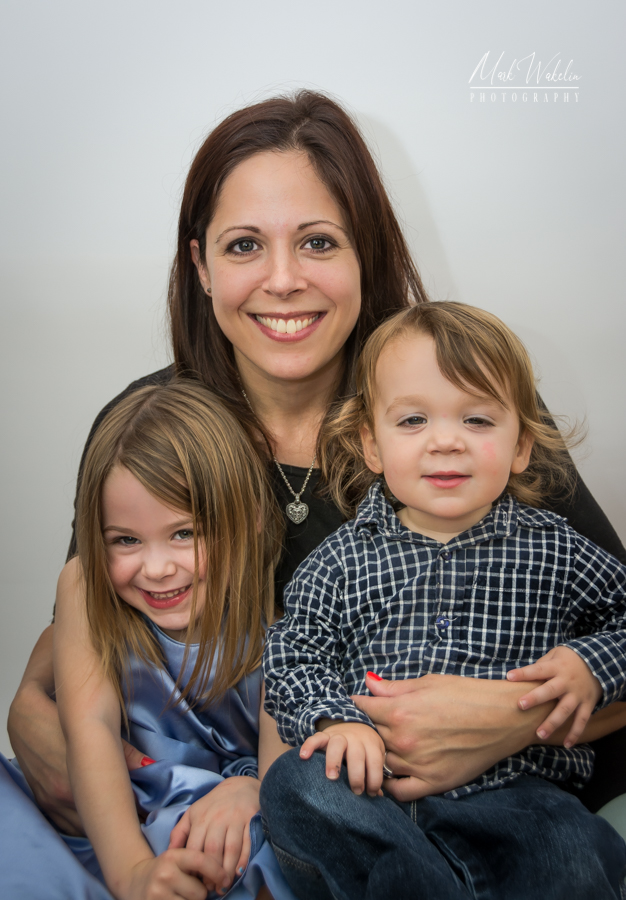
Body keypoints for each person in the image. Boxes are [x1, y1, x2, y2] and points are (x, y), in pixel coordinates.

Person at [5, 93, 626, 893]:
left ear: (366, 251)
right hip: (261, 814)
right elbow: (89, 620)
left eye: (318, 242)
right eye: (243, 247)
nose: (284, 280)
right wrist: (28, 704)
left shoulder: (459, 411)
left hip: (512, 799)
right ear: (200, 266)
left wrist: (505, 722)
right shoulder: (157, 432)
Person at [261, 302, 626, 898]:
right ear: (370, 445)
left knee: (570, 847)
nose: (447, 442)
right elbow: (293, 652)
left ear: (522, 446)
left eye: (479, 421)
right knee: (292, 785)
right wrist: (334, 719)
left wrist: (592, 664)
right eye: (412, 422)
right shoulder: (341, 558)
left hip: (518, 798)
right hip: (372, 793)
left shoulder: (554, 548)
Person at [6, 381, 297, 900]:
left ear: (248, 519)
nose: (158, 569)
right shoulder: (84, 588)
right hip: (104, 812)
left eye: (184, 533)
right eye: (126, 540)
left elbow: (282, 772)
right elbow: (89, 727)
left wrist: (251, 789)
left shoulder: (279, 622)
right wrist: (133, 874)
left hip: (216, 813)